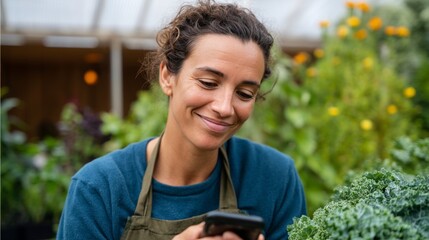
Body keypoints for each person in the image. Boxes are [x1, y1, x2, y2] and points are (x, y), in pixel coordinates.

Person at [57, 0, 307, 239]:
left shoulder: (274, 178)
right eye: (208, 83)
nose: (224, 107)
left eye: (244, 93)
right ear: (167, 76)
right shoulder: (100, 189)